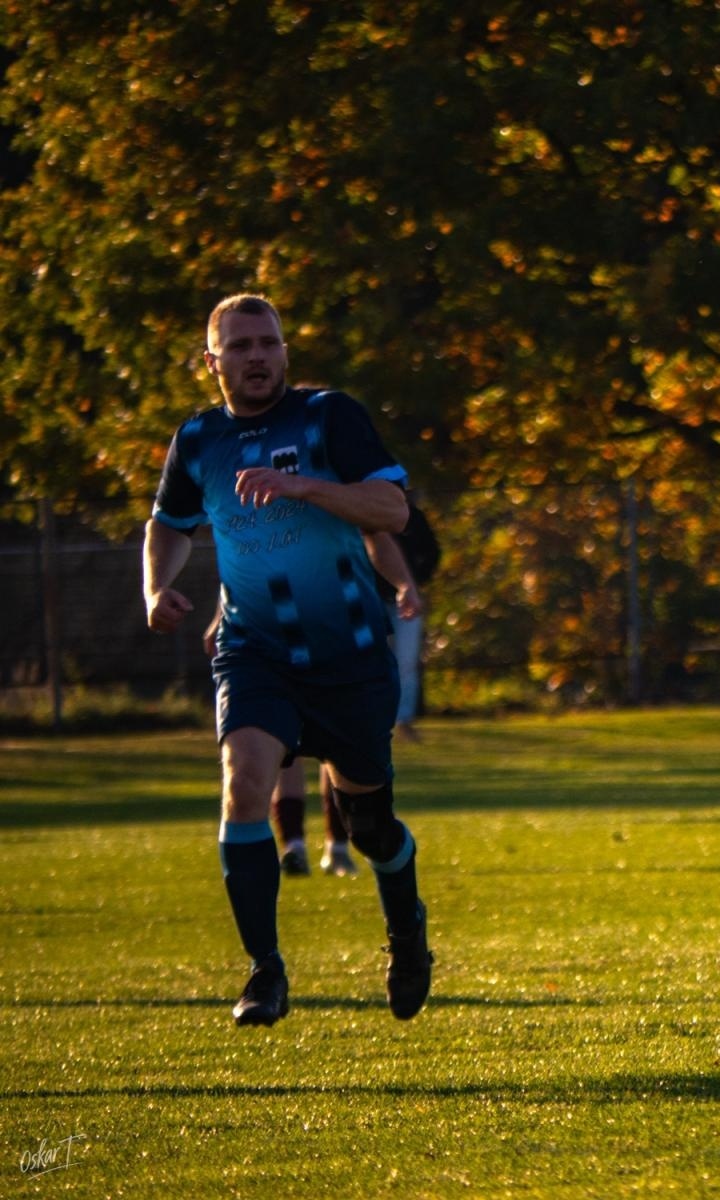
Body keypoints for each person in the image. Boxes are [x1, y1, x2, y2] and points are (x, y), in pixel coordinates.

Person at [143, 293, 433, 1027]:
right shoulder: (199, 439)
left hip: (351, 656)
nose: (257, 357)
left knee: (370, 828)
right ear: (212, 362)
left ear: (284, 352)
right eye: (239, 346)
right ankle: (265, 972)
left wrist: (306, 486)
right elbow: (168, 524)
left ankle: (407, 933)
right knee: (244, 782)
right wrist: (155, 586)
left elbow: (392, 511)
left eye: (267, 343)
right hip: (255, 651)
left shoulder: (329, 416)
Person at [384, 499, 439, 742]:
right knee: (373, 661)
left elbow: (432, 552)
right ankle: (377, 719)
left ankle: (403, 719)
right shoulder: (367, 511)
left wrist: (414, 581)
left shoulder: (413, 516)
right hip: (371, 599)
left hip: (405, 602)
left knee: (405, 661)